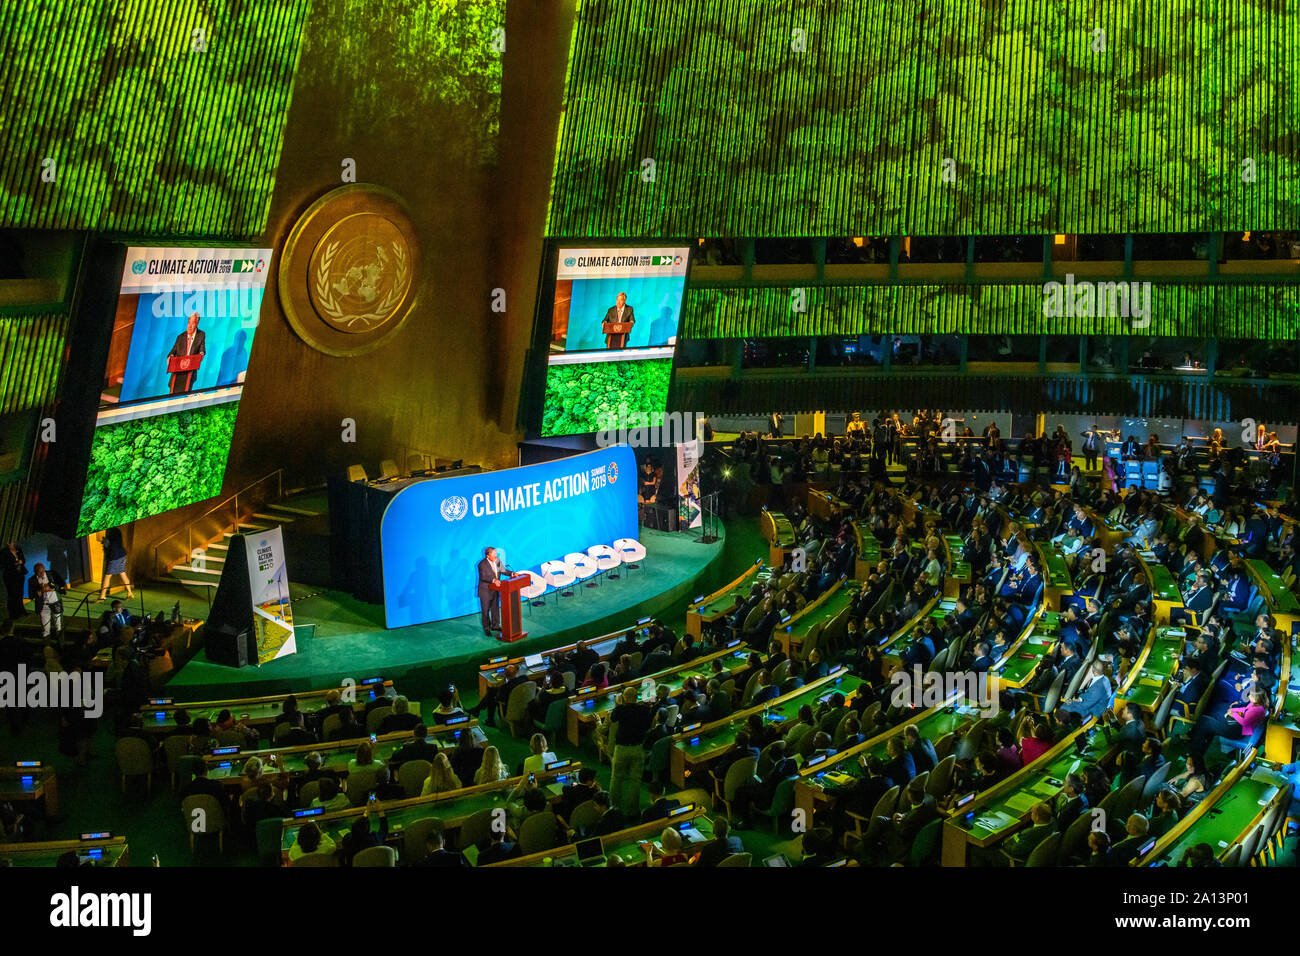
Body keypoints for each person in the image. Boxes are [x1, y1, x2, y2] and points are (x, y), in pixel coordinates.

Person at [609, 687, 653, 818]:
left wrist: (619, 703)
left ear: (624, 697)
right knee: (635, 781)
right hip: (637, 748)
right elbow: (648, 726)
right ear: (636, 697)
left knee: (616, 779)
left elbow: (612, 718)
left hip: (621, 748)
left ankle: (614, 809)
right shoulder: (644, 710)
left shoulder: (620, 710)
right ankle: (633, 811)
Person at [167, 311, 206, 394]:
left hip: (190, 373)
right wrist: (170, 357)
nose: (190, 326)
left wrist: (201, 355)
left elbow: (202, 349)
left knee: (185, 396)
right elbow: (172, 352)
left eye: (192, 324)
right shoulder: (180, 337)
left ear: (197, 323)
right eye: (188, 323)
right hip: (177, 374)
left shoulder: (201, 335)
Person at [28, 562, 66, 639]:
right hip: (43, 606)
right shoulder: (32, 580)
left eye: (43, 571)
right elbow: (31, 596)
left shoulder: (52, 574)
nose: (42, 573)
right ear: (35, 572)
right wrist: (39, 592)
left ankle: (61, 646)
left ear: (44, 569)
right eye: (39, 572)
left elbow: (62, 585)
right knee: (45, 629)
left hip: (56, 603)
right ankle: (47, 647)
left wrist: (52, 588)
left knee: (59, 626)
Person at [97, 527, 133, 602]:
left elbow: (110, 544)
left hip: (115, 556)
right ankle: (130, 593)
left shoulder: (111, 531)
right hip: (122, 554)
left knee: (107, 576)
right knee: (123, 573)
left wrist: (104, 541)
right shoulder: (117, 530)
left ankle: (102, 596)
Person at [476, 546, 503, 636]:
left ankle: (495, 626)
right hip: (485, 591)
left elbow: (503, 570)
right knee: (485, 611)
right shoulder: (481, 565)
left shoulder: (497, 561)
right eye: (494, 554)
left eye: (496, 554)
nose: (496, 556)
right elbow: (483, 577)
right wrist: (494, 580)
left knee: (495, 609)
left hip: (495, 590)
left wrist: (512, 574)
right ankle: (487, 628)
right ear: (488, 556)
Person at [1, 541, 26, 619]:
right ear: (8, 544)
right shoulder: (4, 552)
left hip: (20, 575)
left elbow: (23, 559)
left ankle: (21, 611)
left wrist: (21, 561)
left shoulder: (18, 549)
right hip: (10, 576)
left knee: (19, 593)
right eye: (12, 543)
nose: (14, 544)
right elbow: (2, 563)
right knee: (12, 594)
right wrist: (14, 564)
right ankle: (13, 614)